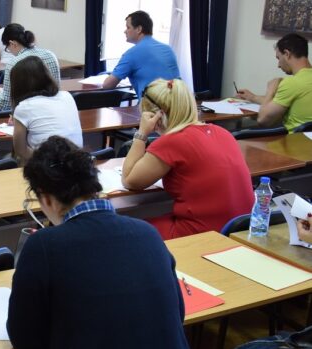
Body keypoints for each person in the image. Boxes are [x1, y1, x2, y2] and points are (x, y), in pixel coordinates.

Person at [0, 136, 209, 349]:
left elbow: (24, 341)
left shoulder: (44, 246)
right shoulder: (148, 234)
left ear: (45, 197)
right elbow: (178, 312)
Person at [121, 78, 254, 240]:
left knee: (128, 231)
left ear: (156, 116)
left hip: (204, 235)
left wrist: (142, 133)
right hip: (239, 230)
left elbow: (129, 181)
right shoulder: (223, 133)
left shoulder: (172, 141)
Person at [10, 56, 82, 162]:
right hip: (78, 162)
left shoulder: (23, 107)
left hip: (49, 167)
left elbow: (21, 151)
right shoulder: (67, 96)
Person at [237, 33, 312, 132]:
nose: (278, 65)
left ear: (287, 54)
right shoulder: (303, 81)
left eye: (278, 58)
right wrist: (253, 97)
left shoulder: (292, 83)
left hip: (294, 140)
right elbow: (280, 102)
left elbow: (262, 120)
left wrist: (270, 90)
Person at [102, 10, 180, 100]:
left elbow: (107, 85)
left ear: (139, 29)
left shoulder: (131, 54)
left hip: (154, 107)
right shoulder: (168, 49)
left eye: (128, 27)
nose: (125, 31)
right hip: (179, 104)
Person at [0, 23, 60, 111]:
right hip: (52, 109)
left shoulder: (14, 64)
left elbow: (6, 104)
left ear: (12, 43)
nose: (9, 51)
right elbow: (56, 90)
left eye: (7, 48)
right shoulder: (50, 55)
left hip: (28, 112)